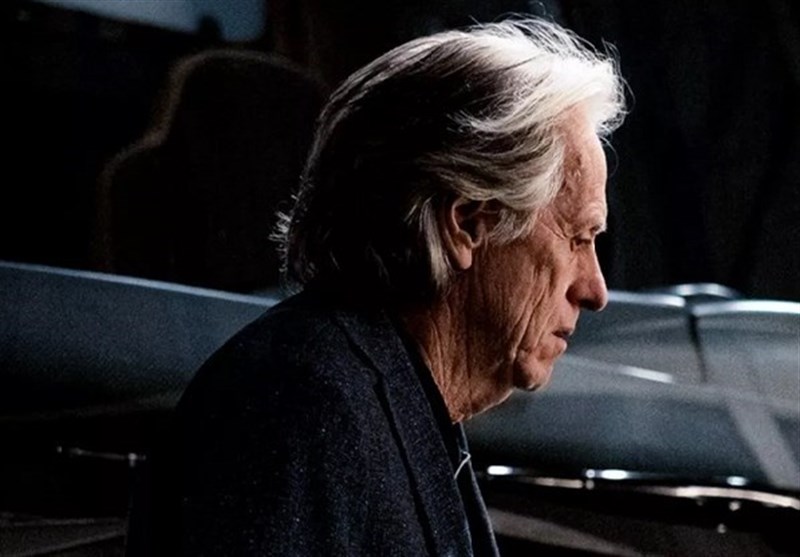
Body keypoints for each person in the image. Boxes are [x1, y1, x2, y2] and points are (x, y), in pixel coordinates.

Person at [127, 16, 625, 556]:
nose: (595, 290)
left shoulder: (379, 400)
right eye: (579, 238)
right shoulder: (306, 411)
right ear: (467, 223)